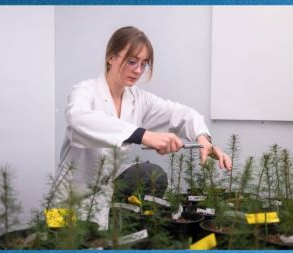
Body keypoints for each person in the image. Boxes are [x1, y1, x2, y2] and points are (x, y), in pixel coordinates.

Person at [57, 26, 232, 229]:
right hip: (71, 195)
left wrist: (203, 140)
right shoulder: (85, 91)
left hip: (105, 194)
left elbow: (182, 114)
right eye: (132, 61)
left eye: (144, 64)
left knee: (150, 175)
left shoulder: (137, 99)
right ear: (111, 57)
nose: (138, 70)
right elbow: (78, 121)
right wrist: (143, 135)